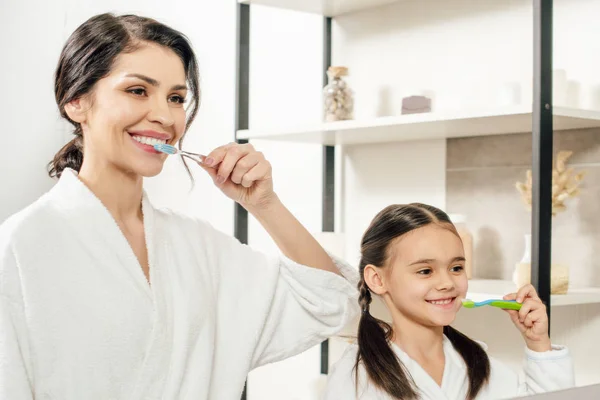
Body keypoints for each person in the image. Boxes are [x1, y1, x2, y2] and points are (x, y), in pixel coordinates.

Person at [0, 13, 359, 400]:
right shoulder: (22, 247)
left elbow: (333, 302)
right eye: (138, 90)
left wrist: (264, 204)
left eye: (176, 98)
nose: (164, 116)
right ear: (76, 101)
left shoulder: (199, 247)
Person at [323, 203, 574, 400]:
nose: (447, 283)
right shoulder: (355, 375)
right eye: (425, 271)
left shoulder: (480, 364)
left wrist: (538, 343)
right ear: (376, 279)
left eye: (456, 267)